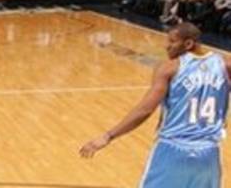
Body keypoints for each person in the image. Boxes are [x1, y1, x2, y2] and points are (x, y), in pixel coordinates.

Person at [80, 23, 230, 187]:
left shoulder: (169, 68)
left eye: (172, 41)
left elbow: (145, 110)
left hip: (172, 149)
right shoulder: (224, 65)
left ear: (188, 44)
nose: (167, 46)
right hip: (208, 154)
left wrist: (108, 136)